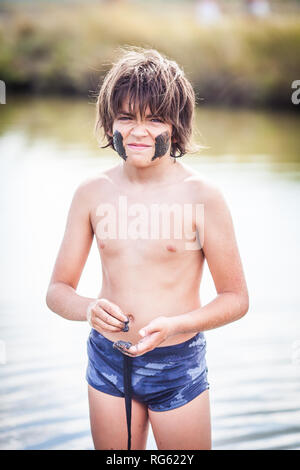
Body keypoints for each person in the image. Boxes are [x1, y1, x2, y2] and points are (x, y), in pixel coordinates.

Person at [46, 47, 249, 450]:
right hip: (108, 361)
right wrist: (88, 308)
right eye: (127, 117)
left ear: (176, 126)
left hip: (176, 364)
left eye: (154, 119)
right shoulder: (92, 192)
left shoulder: (202, 196)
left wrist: (177, 324)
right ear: (110, 124)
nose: (139, 131)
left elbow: (236, 298)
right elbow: (57, 291)